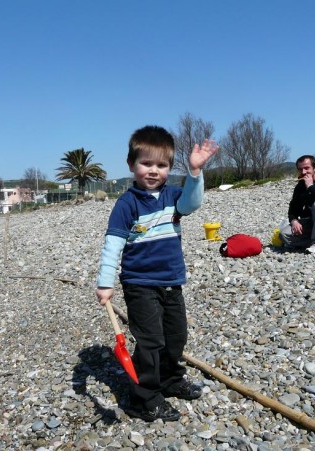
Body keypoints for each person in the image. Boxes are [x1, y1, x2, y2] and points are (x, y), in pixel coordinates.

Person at [96, 125, 219, 422]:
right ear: (131, 165)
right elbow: (113, 244)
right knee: (150, 342)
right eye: (146, 163)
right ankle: (144, 398)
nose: (153, 171)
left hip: (171, 282)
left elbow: (193, 202)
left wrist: (194, 171)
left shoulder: (173, 196)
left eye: (161, 165)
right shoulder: (127, 204)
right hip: (139, 284)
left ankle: (171, 380)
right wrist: (105, 282)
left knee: (176, 337)